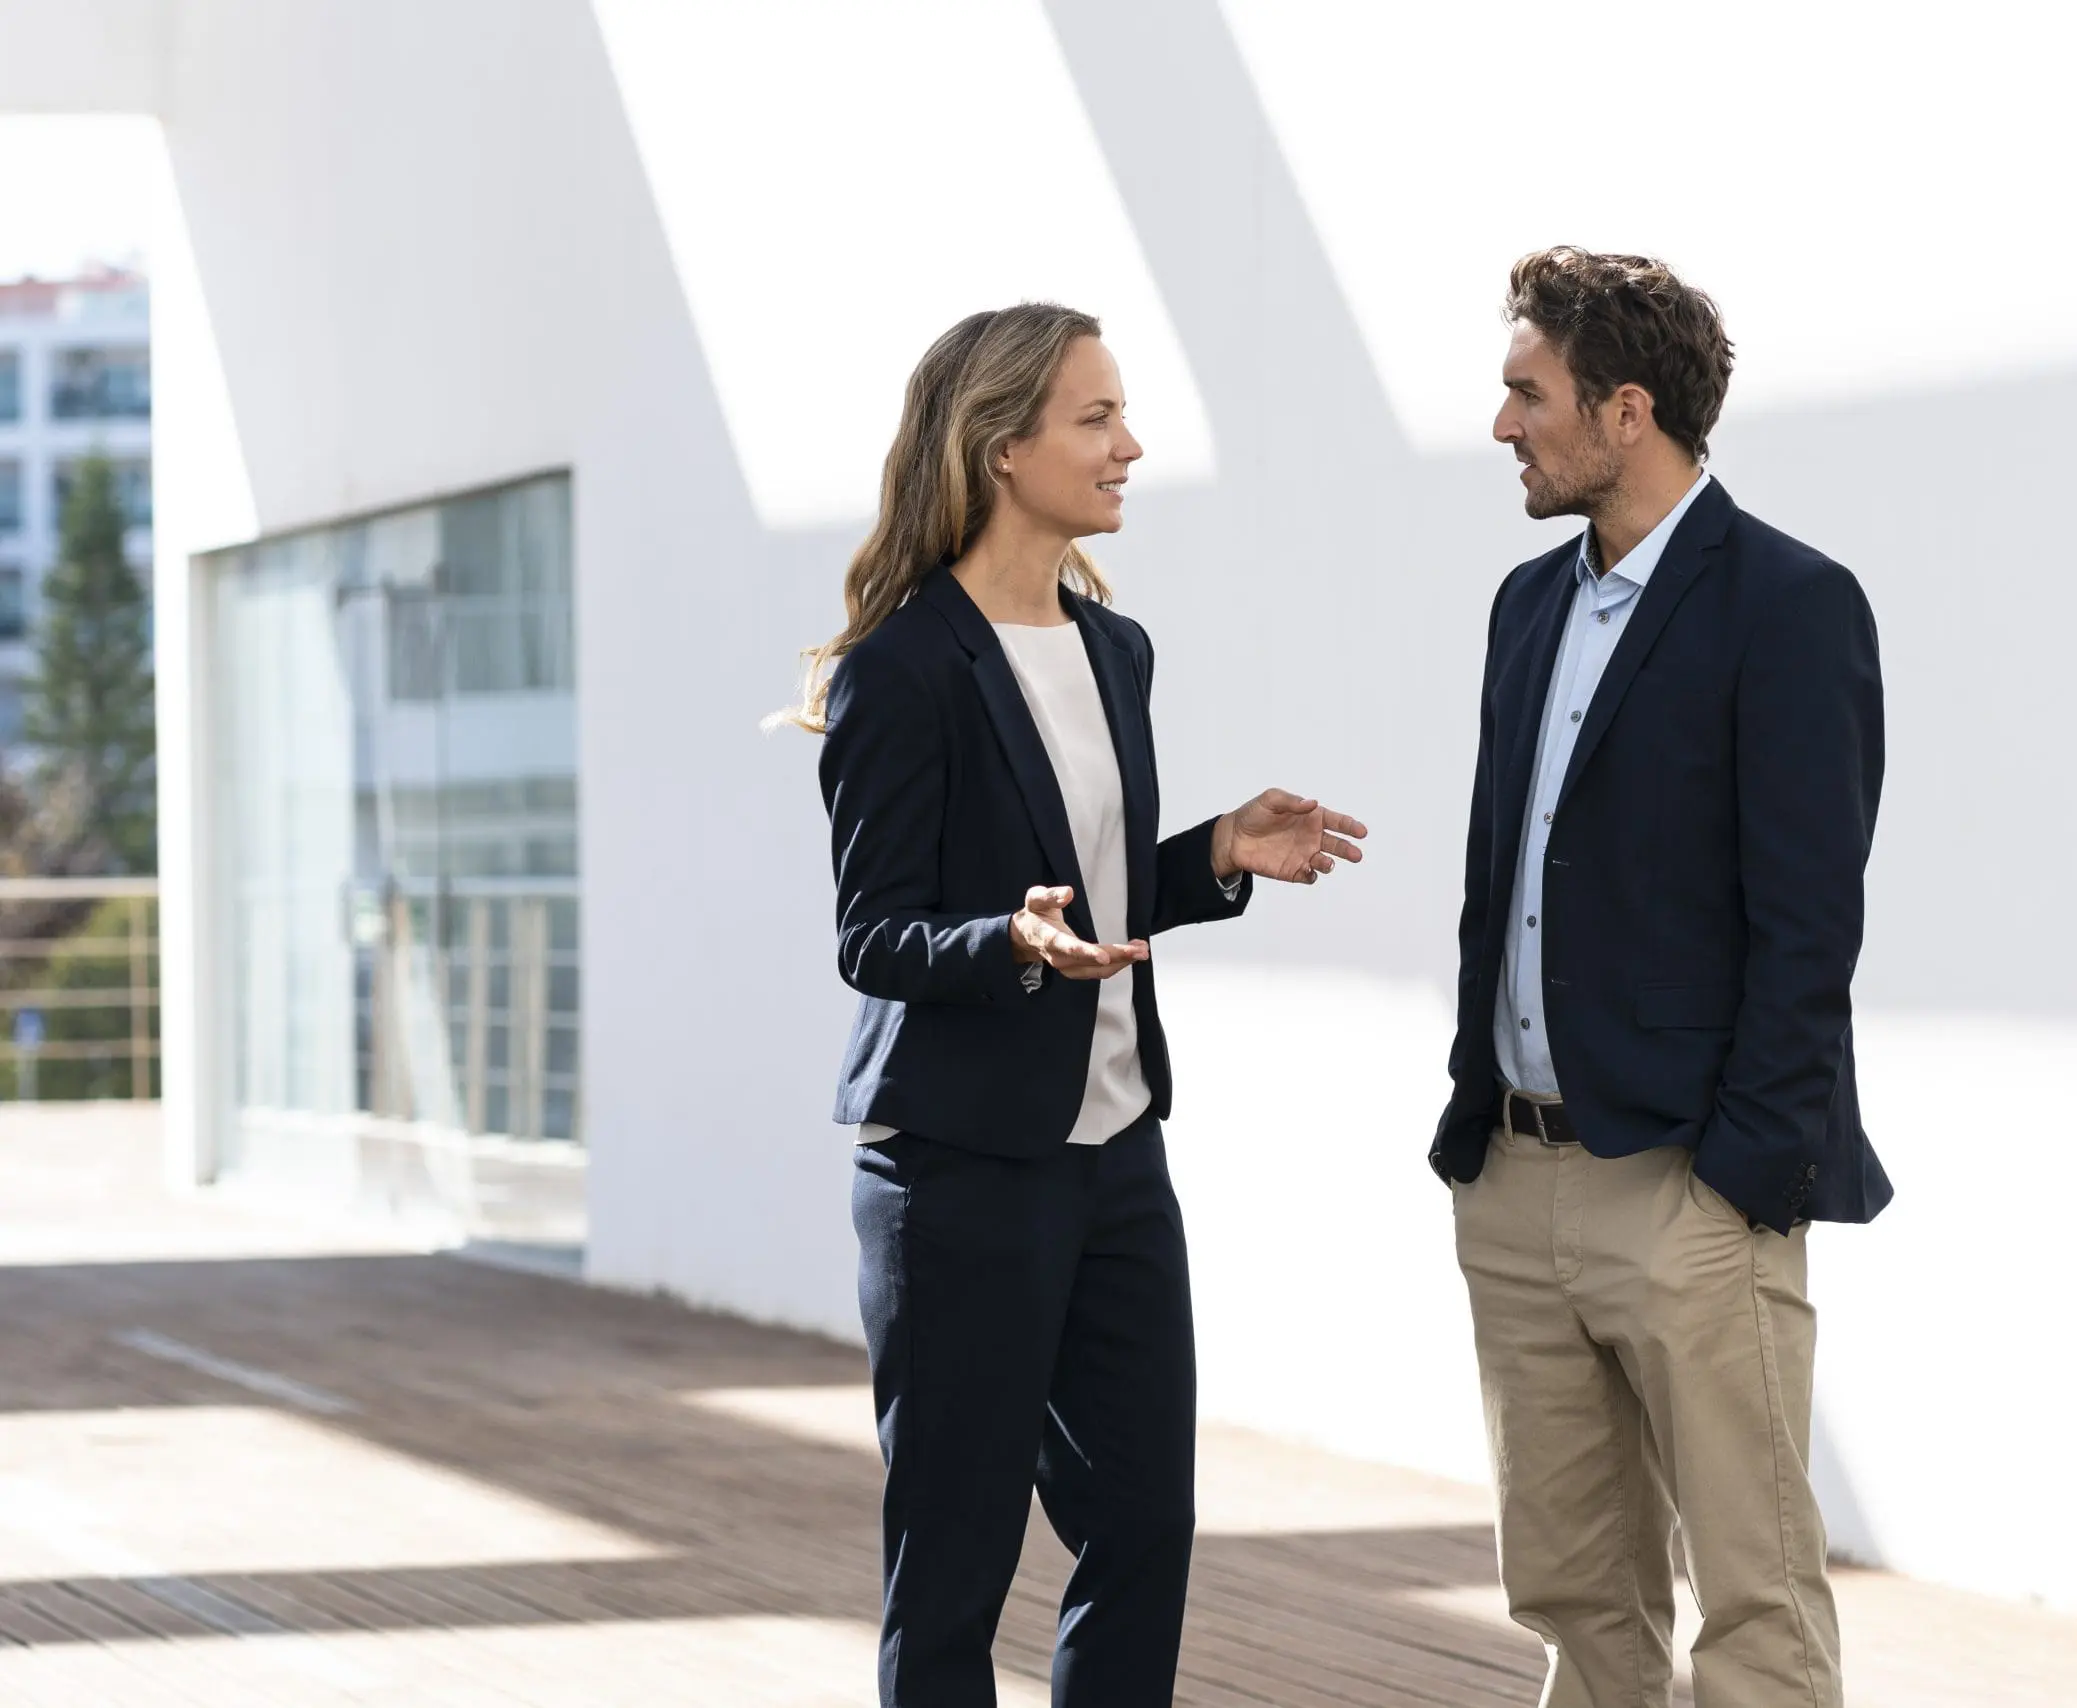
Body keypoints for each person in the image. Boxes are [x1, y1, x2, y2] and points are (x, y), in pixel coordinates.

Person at [784, 302, 1366, 1708]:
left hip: (1116, 1155)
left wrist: (1214, 852)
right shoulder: (902, 668)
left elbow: (1093, 889)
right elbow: (874, 933)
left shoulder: (1117, 650)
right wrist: (1011, 943)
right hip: (959, 1170)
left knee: (1144, 1526)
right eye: (1096, 419)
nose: (1130, 447)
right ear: (1001, 446)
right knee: (955, 1566)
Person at [1434, 247, 1892, 1708]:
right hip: (1517, 1177)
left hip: (1688, 1189)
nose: (1504, 424)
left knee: (1754, 1607)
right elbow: (1504, 881)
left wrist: (1742, 1176)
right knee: (1576, 1603)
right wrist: (1476, 1125)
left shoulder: (1790, 604)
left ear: (1626, 412)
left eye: (1530, 394)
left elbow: (1809, 926)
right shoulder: (1525, 607)